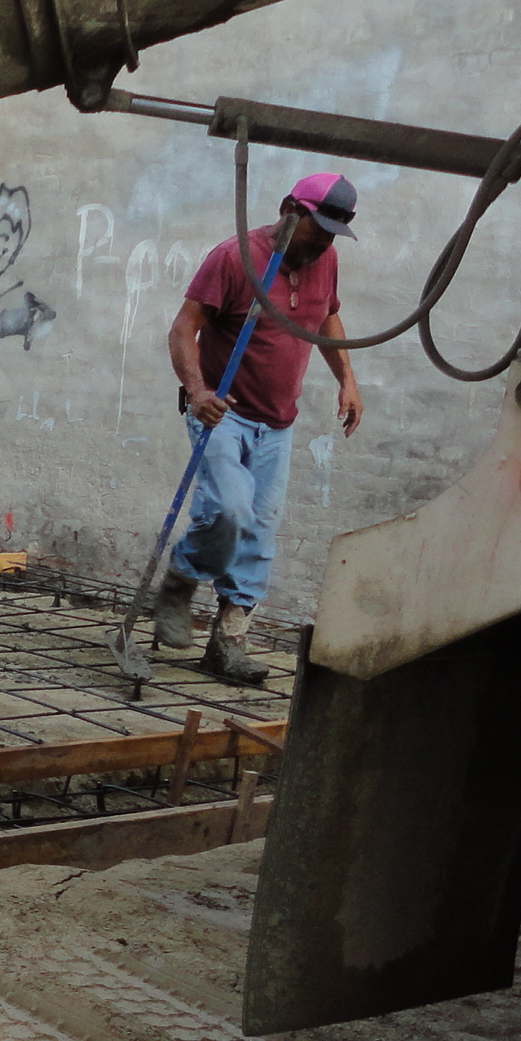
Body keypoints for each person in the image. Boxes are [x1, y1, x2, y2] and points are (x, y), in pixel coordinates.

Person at [157, 173, 363, 684]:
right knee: (228, 509)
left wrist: (348, 380)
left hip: (279, 424)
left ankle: (227, 643)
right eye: (319, 229)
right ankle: (181, 577)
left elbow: (327, 318)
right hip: (223, 412)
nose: (325, 243)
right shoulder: (234, 258)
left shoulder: (325, 259)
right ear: (291, 209)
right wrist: (199, 390)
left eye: (335, 233)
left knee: (259, 533)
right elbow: (184, 327)